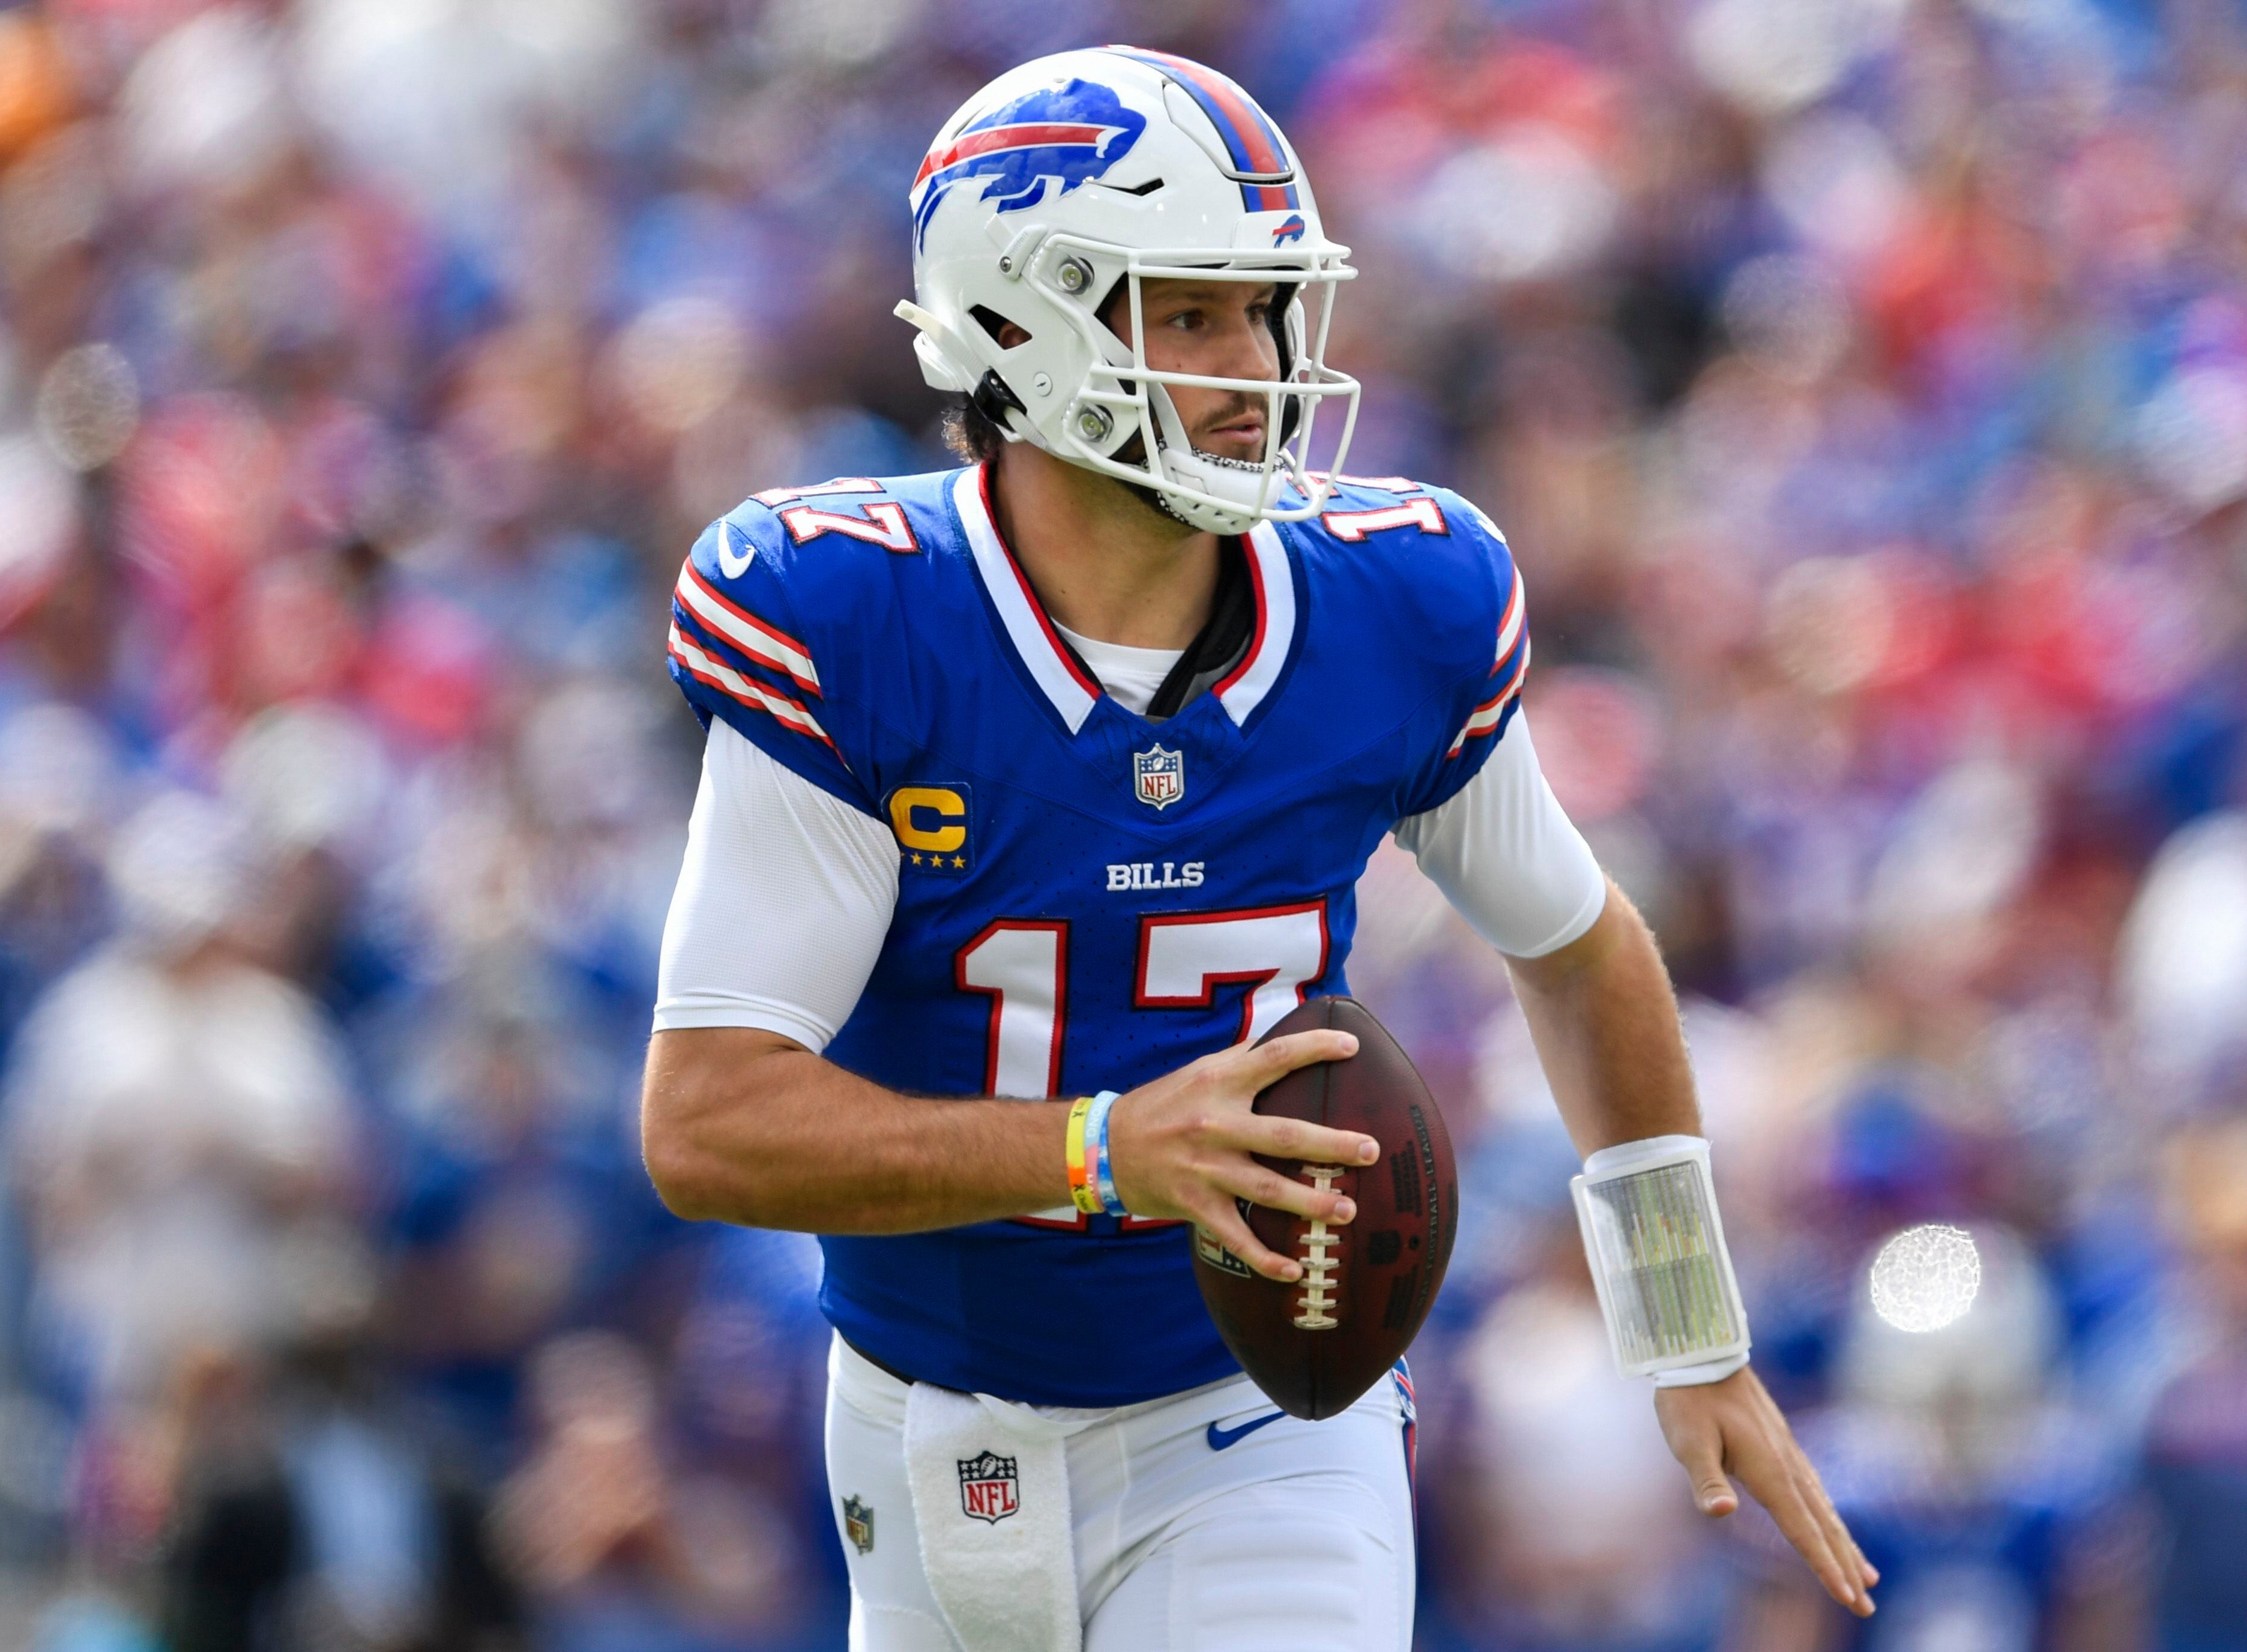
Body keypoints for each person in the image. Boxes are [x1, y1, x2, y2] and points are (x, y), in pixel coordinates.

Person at [642, 47, 1872, 1651]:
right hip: (922, 1426)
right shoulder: (856, 615)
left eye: (1270, 308)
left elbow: (1579, 948)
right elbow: (709, 1122)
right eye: (1195, 311)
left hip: (1263, 1412)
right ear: (1020, 317)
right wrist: (1099, 1151)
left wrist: (1688, 1328)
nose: (1257, 363)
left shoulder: (1393, 607)